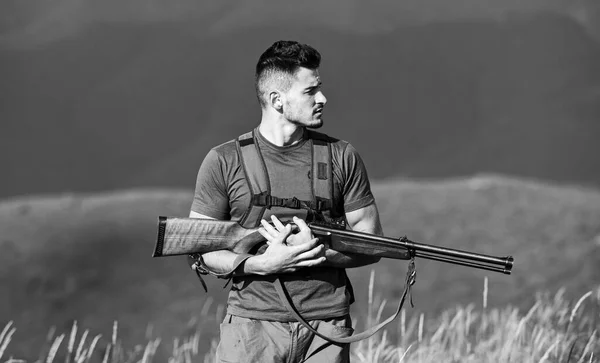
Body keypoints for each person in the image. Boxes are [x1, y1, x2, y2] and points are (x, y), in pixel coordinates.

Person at [189, 40, 383, 363]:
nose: (322, 98)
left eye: (319, 88)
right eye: (310, 92)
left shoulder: (342, 157)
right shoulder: (223, 161)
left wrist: (318, 252)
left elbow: (373, 242)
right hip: (251, 329)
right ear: (277, 100)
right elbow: (202, 249)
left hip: (327, 328)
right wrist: (261, 264)